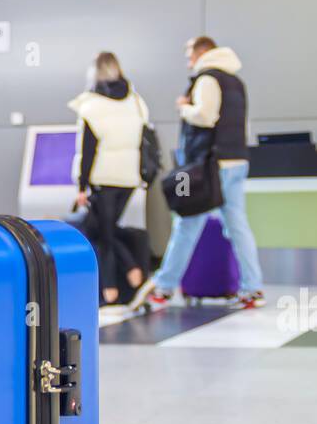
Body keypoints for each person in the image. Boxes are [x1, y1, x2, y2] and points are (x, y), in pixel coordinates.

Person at [132, 37, 265, 310]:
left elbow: (206, 116)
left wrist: (183, 107)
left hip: (208, 166)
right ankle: (252, 288)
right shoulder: (236, 82)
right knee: (237, 225)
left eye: (189, 54)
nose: (187, 60)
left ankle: (164, 288)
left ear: (201, 53)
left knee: (186, 221)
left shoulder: (207, 79)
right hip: (236, 161)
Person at [68, 52, 150, 305]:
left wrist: (82, 186)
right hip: (128, 178)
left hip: (103, 179)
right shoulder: (135, 101)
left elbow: (88, 150)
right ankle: (131, 271)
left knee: (102, 234)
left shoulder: (91, 105)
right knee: (106, 228)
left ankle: (111, 287)